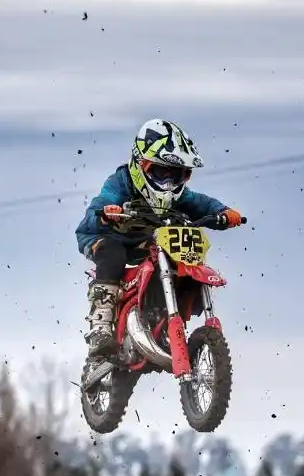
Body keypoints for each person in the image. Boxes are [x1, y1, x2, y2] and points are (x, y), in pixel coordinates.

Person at [75, 118, 244, 357]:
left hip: (145, 241)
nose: (168, 184)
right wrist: (107, 213)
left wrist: (223, 212)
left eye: (178, 176)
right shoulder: (120, 183)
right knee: (113, 254)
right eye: (161, 172)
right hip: (106, 236)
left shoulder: (178, 196)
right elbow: (101, 204)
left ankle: (158, 315)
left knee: (172, 253)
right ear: (141, 164)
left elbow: (201, 203)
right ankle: (101, 326)